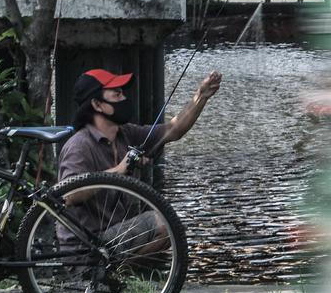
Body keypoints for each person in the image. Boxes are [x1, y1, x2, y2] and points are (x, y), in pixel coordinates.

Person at [55, 67, 222, 258]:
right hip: (85, 245)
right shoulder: (79, 146)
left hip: (111, 237)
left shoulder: (126, 133)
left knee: (169, 224)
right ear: (97, 104)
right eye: (117, 94)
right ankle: (104, 272)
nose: (124, 99)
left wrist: (201, 95)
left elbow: (174, 129)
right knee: (161, 222)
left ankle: (114, 274)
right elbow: (67, 195)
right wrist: (117, 172)